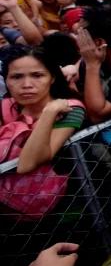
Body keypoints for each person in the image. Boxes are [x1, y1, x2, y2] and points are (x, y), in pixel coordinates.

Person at [0, 45, 85, 216]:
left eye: (37, 75)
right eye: (16, 77)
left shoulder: (71, 109)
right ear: (6, 81)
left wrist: (49, 112)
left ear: (52, 77)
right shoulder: (6, 107)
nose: (27, 85)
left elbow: (27, 164)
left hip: (61, 204)